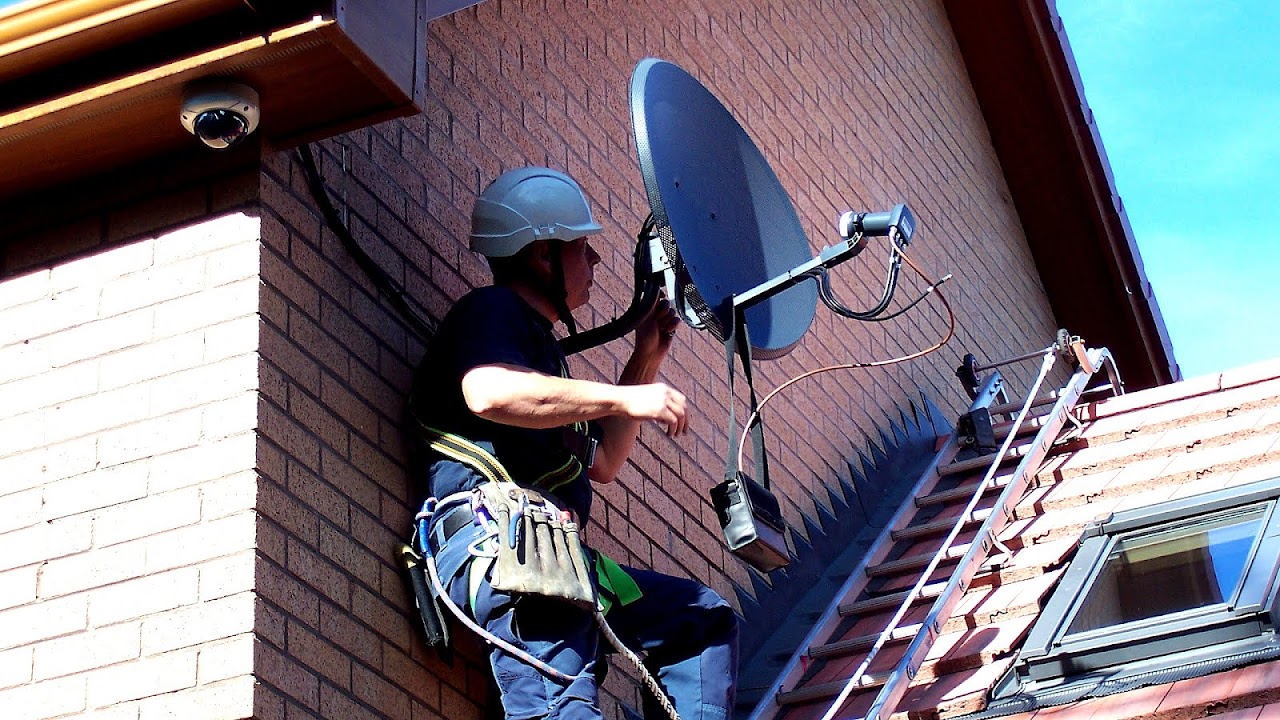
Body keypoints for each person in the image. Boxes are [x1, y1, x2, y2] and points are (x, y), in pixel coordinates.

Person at [408, 167, 739, 720]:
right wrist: (623, 398)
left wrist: (644, 361)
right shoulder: (492, 312)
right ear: (541, 255)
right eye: (582, 247)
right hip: (508, 551)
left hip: (554, 558)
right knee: (563, 705)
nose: (595, 261)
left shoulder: (547, 367)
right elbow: (486, 392)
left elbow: (604, 462)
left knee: (700, 622)